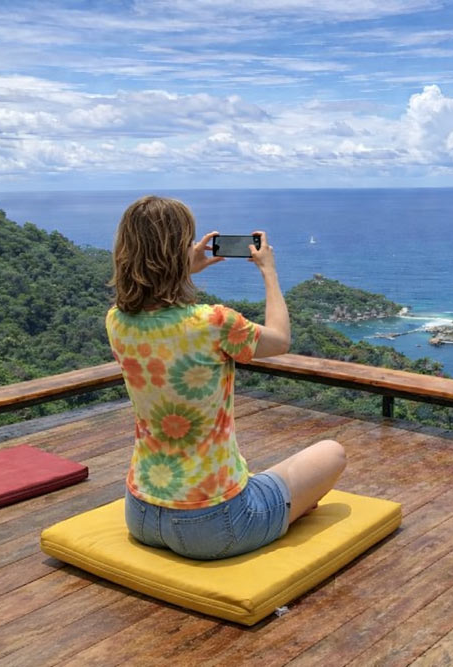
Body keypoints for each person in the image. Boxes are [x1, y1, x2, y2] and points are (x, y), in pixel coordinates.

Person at [105, 195, 346, 560]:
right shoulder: (213, 322)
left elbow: (160, 314)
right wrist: (268, 271)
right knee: (332, 453)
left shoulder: (117, 322)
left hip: (141, 513)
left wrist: (181, 270)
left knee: (272, 477)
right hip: (214, 524)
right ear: (176, 252)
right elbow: (280, 340)